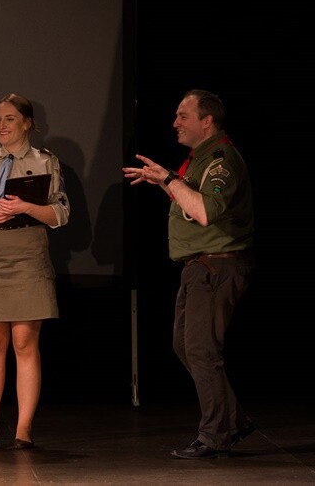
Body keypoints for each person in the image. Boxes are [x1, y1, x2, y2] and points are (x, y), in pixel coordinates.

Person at [123, 89, 255, 460]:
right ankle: (235, 420)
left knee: (201, 349)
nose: (175, 122)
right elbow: (189, 202)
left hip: (217, 264)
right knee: (186, 346)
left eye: (183, 115)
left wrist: (168, 180)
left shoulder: (220, 161)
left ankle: (215, 435)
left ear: (206, 120)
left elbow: (205, 211)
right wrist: (164, 181)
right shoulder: (198, 159)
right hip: (200, 267)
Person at [0, 94, 70, 451]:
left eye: (9, 119)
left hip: (28, 252)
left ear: (27, 123)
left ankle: (23, 430)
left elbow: (61, 213)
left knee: (24, 342)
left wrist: (26, 206)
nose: (1, 126)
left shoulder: (45, 162)